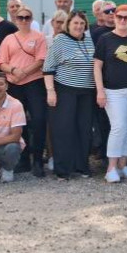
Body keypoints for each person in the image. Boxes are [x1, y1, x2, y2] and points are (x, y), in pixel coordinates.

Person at [43, 10, 97, 180]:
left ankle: (81, 166)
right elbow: (48, 67)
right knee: (63, 130)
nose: (79, 26)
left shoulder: (89, 40)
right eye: (75, 23)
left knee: (84, 129)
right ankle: (62, 169)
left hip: (87, 92)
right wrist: (50, 91)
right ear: (68, 24)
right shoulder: (60, 40)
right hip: (65, 90)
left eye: (82, 23)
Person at [0, 6, 47, 176]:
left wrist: (24, 72)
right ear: (15, 20)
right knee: (18, 123)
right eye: (20, 17)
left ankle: (38, 160)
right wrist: (13, 71)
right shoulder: (9, 39)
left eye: (27, 17)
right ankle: (23, 160)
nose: (24, 20)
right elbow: (1, 62)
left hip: (34, 83)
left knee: (39, 120)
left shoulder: (38, 37)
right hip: (15, 84)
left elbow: (41, 60)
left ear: (31, 20)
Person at [94, 4, 127, 183]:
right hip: (112, 91)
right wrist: (100, 91)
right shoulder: (105, 39)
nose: (122, 20)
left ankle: (123, 165)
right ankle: (111, 168)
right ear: (114, 18)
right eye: (119, 17)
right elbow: (97, 66)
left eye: (126, 18)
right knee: (119, 126)